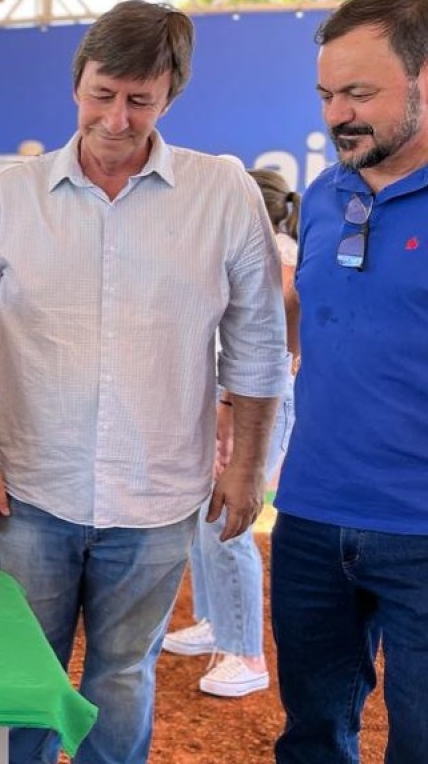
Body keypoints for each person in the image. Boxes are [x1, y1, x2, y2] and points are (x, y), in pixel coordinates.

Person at [0, 1, 287, 763]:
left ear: (170, 97)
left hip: (156, 494)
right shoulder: (7, 198)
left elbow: (257, 342)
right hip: (30, 489)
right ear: (76, 83)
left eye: (140, 100)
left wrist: (245, 465)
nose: (116, 119)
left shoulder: (221, 194)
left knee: (124, 673)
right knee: (24, 669)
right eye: (102, 94)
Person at [271, 0, 428, 761]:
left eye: (359, 93)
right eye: (326, 95)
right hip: (308, 518)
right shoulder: (325, 196)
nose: (337, 114)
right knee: (311, 735)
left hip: (419, 528)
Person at [163, 168, 301, 698]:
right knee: (207, 516)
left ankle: (246, 652)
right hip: (228, 398)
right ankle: (217, 622)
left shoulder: (277, 250)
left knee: (227, 518)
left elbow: (278, 318)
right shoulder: (256, 248)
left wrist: (230, 396)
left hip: (251, 403)